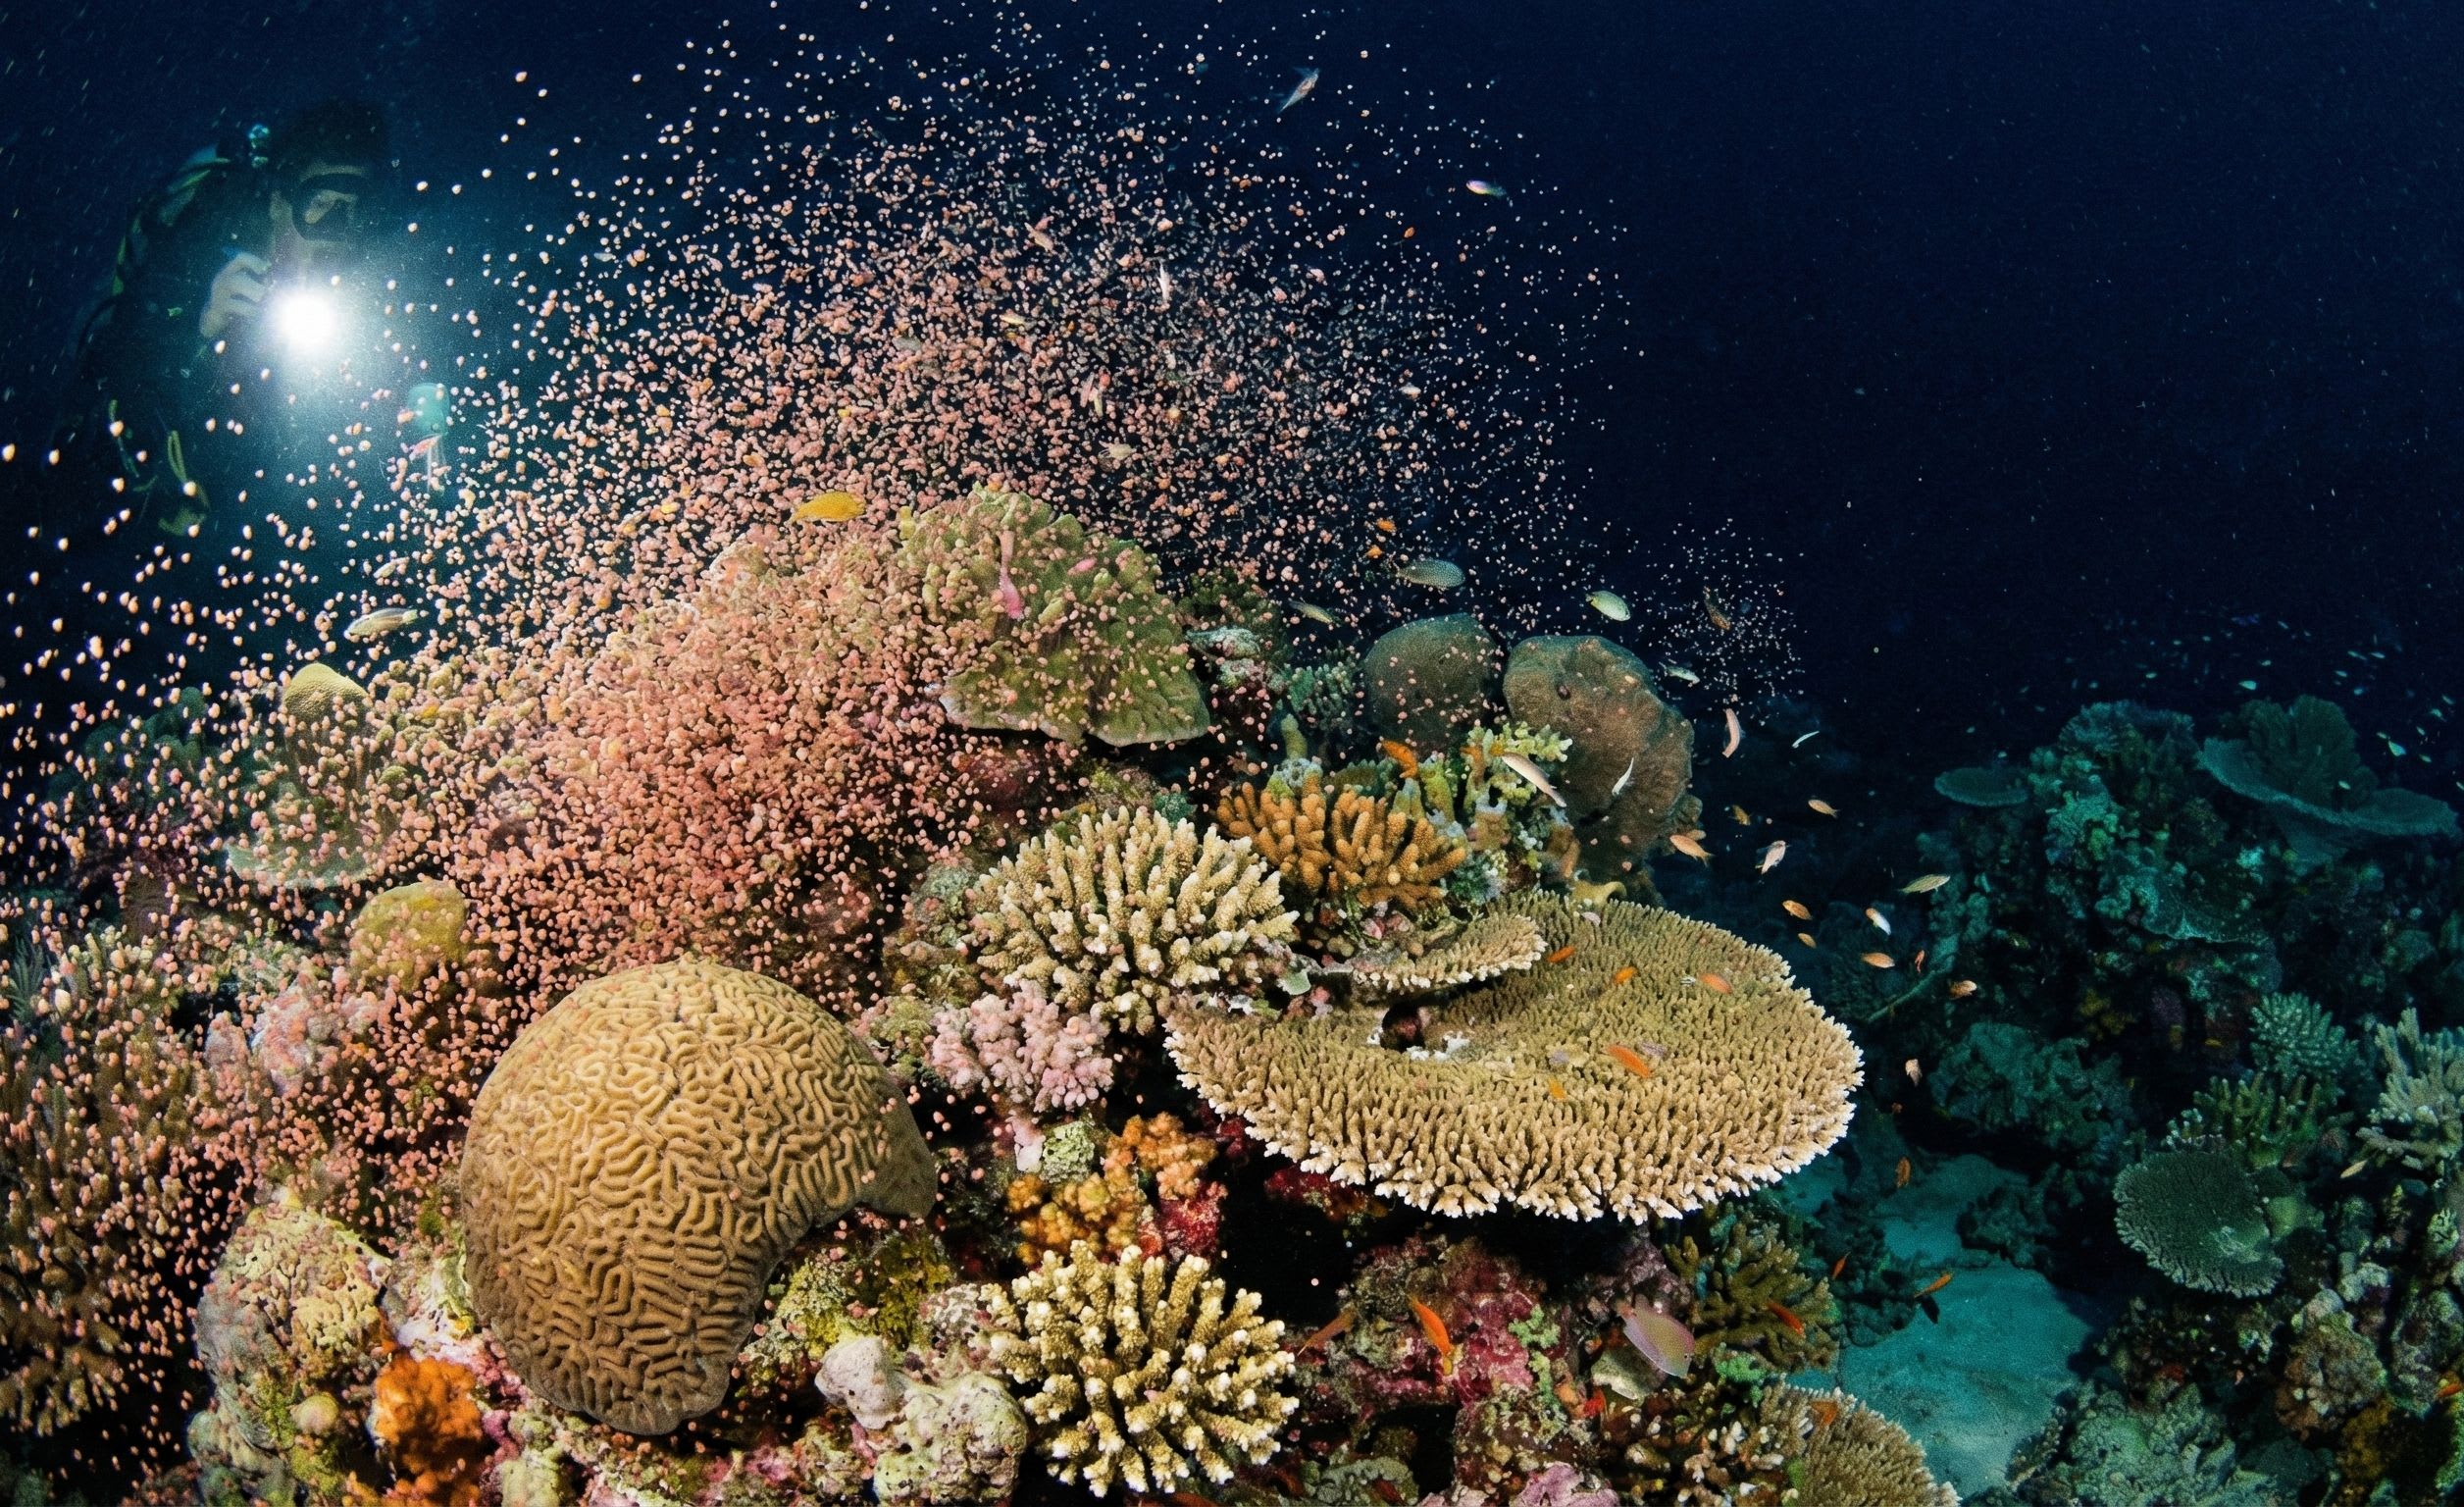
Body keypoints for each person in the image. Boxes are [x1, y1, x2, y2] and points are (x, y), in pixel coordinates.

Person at [55, 99, 391, 543]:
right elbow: (110, 380)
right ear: (277, 204)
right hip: (150, 527)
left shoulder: (367, 284)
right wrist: (201, 330)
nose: (335, 227)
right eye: (320, 203)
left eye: (351, 209)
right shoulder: (195, 259)